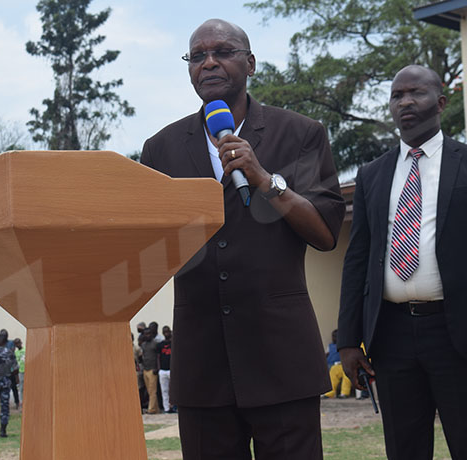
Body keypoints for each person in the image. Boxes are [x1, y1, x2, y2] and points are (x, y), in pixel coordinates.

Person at [140, 19, 345, 459]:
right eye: (197, 56)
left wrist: (265, 179)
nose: (209, 62)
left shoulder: (302, 134)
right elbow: (149, 247)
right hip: (202, 364)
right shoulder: (161, 148)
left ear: (250, 63)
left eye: (222, 52)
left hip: (281, 358)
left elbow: (326, 233)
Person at [338, 64, 467, 460]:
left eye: (415, 93)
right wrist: (349, 340)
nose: (405, 102)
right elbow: (358, 260)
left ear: (439, 102)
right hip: (390, 335)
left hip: (458, 333)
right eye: (396, 95)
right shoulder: (372, 174)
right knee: (404, 449)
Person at [322, 329, 350, 399]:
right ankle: (330, 393)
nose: (334, 338)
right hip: (334, 365)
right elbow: (326, 355)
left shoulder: (345, 344)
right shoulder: (330, 346)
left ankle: (344, 393)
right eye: (333, 336)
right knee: (333, 370)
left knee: (347, 373)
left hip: (344, 364)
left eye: (336, 336)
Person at [139, 328, 159, 415]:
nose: (148, 335)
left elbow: (158, 357)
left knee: (152, 390)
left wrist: (157, 368)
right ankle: (156, 408)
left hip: (152, 369)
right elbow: (141, 356)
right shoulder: (143, 345)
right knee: (149, 390)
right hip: (145, 369)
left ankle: (151, 409)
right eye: (146, 334)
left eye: (149, 334)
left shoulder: (155, 344)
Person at [156, 326, 174, 413]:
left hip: (172, 370)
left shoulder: (174, 344)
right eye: (165, 332)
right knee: (164, 390)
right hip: (163, 370)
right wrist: (159, 369)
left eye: (168, 332)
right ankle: (166, 408)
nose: (166, 333)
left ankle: (174, 407)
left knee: (173, 390)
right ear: (163, 333)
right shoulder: (160, 345)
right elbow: (158, 357)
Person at [14, 338, 25, 404]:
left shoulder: (26, 349)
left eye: (19, 343)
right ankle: (21, 402)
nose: (18, 344)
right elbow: (16, 363)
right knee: (21, 387)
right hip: (21, 371)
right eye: (16, 344)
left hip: (28, 370)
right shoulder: (16, 352)